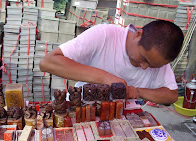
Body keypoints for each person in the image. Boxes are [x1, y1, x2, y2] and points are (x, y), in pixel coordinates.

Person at [39, 20, 184, 105]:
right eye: (144, 59)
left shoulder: (157, 55)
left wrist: (138, 91)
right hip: (80, 106)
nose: (145, 67)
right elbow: (48, 62)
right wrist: (105, 78)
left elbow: (171, 95)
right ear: (138, 35)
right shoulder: (104, 35)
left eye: (153, 66)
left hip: (120, 118)